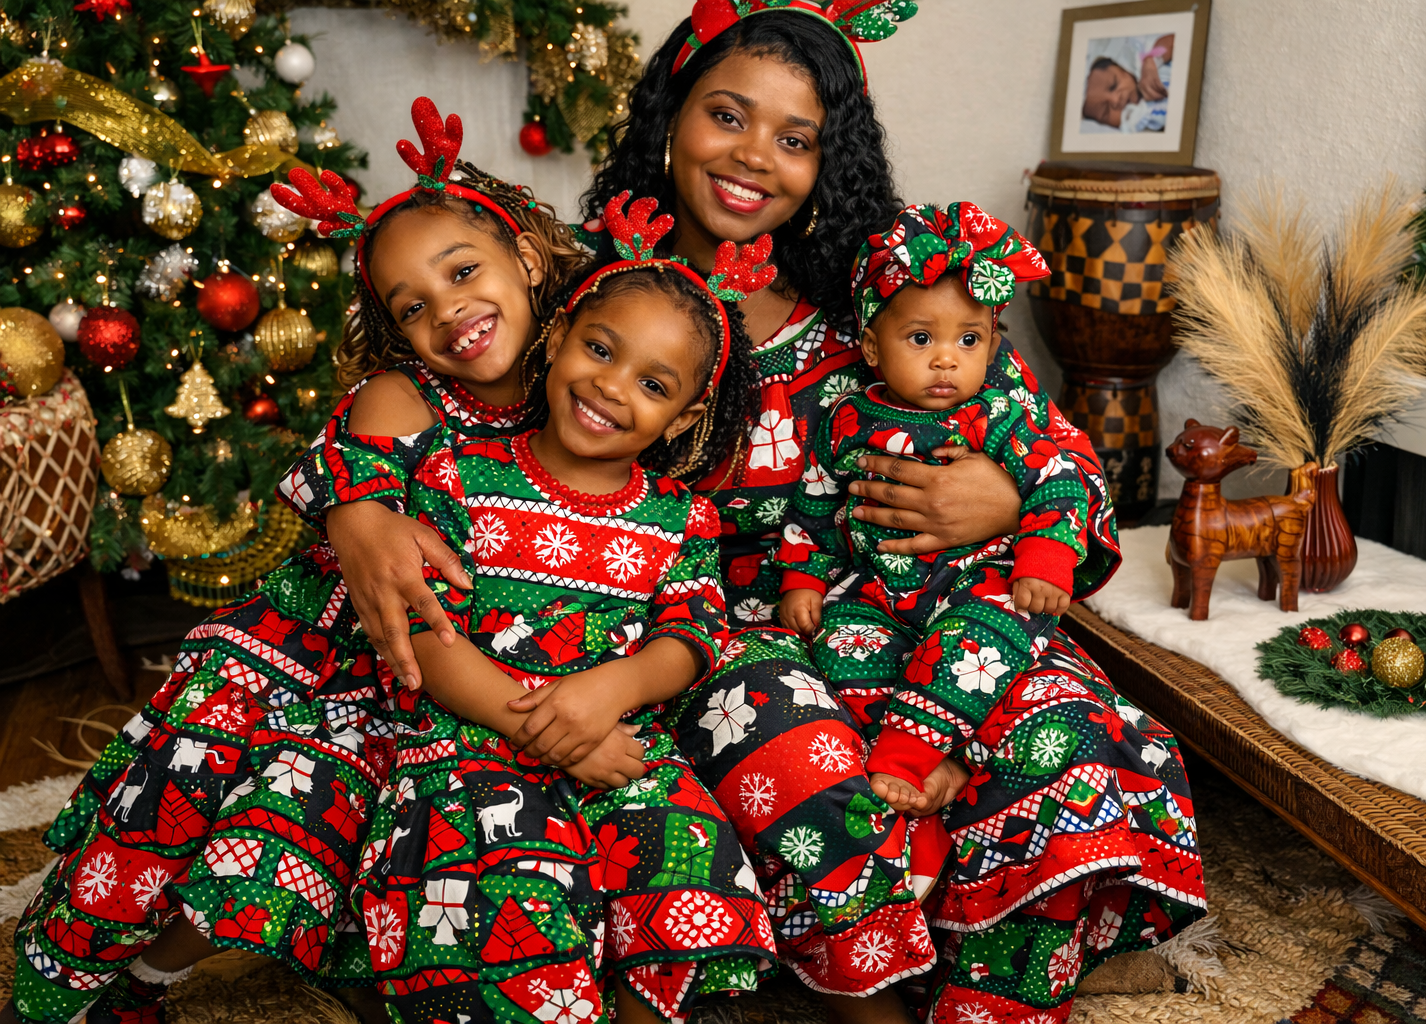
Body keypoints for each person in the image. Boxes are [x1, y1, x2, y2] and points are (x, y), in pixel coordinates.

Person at [307, 5, 1207, 1022]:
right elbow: (426, 371)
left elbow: (1062, 455)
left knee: (1065, 718)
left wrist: (1004, 494)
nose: (753, 157)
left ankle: (1005, 963)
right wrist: (357, 500)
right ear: (668, 114)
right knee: (784, 729)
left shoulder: (879, 306)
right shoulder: (591, 287)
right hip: (686, 635)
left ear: (832, 161)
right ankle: (866, 966)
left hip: (900, 609)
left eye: (796, 139)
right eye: (727, 116)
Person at [2, 100, 587, 1024]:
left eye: (463, 270)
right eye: (413, 306)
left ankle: (154, 984)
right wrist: (363, 509)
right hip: (315, 667)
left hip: (440, 682)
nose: (450, 312)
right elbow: (356, 469)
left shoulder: (580, 390)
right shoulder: (404, 395)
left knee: (290, 866)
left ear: (526, 257)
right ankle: (69, 984)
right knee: (193, 826)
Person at [342, 190, 777, 1024]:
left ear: (683, 415)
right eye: (600, 350)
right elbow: (425, 638)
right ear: (557, 338)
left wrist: (608, 692)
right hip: (473, 740)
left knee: (691, 865)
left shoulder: (681, 517)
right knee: (509, 900)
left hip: (615, 737)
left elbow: (692, 634)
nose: (611, 388)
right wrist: (537, 723)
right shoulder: (460, 479)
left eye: (651, 383)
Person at [774, 201, 1092, 816]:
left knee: (986, 638)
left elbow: (1057, 477)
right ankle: (941, 752)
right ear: (871, 346)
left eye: (968, 340)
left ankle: (904, 755)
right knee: (835, 648)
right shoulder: (846, 421)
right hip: (877, 591)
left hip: (977, 581)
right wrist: (801, 578)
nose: (947, 358)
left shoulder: (996, 414)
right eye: (921, 339)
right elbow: (814, 502)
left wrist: (1047, 556)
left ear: (993, 344)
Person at [1081, 33, 1175, 131]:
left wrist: (1152, 61)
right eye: (1106, 111)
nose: (1115, 100)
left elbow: (1172, 41)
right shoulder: (1136, 123)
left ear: (1123, 68)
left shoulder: (1145, 62)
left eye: (1114, 85)